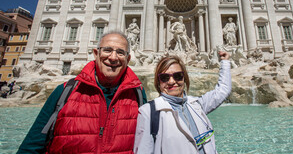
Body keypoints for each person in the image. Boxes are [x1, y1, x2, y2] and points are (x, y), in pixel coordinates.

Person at [18, 31, 146, 153]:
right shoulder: (65, 91)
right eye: (107, 50)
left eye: (120, 52)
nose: (113, 57)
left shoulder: (138, 95)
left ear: (128, 59)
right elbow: (31, 147)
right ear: (96, 53)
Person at [134, 51, 231, 154]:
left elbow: (222, 90)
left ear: (184, 78)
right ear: (158, 82)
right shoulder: (148, 112)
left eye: (178, 76)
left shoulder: (197, 104)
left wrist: (225, 62)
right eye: (164, 77)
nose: (171, 81)